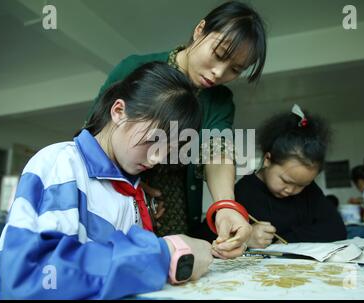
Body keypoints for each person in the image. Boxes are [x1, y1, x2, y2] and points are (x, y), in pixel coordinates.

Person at [0, 62, 213, 299]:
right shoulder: (62, 163)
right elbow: (28, 278)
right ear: (119, 112)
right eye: (154, 141)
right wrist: (164, 255)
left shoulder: (134, 188)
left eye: (169, 151)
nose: (157, 159)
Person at [85, 1, 267, 258]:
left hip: (177, 211)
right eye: (218, 54)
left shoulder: (220, 100)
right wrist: (133, 185)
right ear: (200, 30)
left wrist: (226, 207)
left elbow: (217, 150)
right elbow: (96, 137)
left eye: (235, 70)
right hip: (122, 201)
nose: (218, 72)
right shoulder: (134, 68)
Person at [234, 106, 347, 248]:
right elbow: (208, 236)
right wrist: (245, 239)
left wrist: (289, 240)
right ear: (268, 159)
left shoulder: (309, 191)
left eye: (301, 185)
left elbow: (336, 228)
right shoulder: (244, 191)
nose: (291, 190)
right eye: (286, 181)